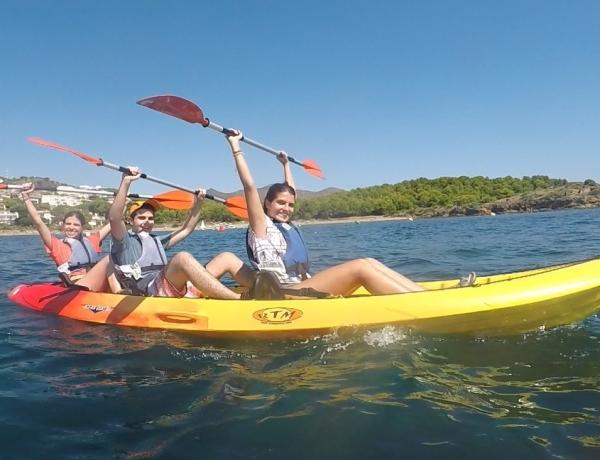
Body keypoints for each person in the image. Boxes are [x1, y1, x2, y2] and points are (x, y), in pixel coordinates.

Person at [225, 131, 426, 296]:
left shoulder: (285, 225)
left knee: (369, 262)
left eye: (290, 205)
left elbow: (290, 191)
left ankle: (421, 295)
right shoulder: (261, 226)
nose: (286, 208)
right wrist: (235, 146)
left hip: (301, 286)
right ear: (266, 203)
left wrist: (285, 165)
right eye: (280, 203)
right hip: (283, 292)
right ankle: (420, 304)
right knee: (360, 268)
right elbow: (249, 186)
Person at [108, 168, 255, 299]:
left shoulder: (157, 241)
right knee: (182, 257)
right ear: (130, 220)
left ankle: (263, 288)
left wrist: (198, 203)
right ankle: (237, 299)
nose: (147, 222)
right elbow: (115, 217)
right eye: (141, 218)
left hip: (172, 286)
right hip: (151, 292)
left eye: (150, 218)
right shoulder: (124, 242)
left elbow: (186, 229)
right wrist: (125, 182)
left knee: (226, 258)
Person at [19, 183, 114, 291]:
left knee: (117, 259)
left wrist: (124, 194)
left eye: (76, 225)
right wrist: (26, 198)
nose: (71, 227)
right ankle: (118, 292)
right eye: (68, 224)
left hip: (96, 281)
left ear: (82, 227)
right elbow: (38, 222)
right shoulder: (56, 245)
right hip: (78, 284)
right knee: (109, 258)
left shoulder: (91, 241)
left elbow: (114, 220)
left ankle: (122, 293)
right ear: (63, 226)